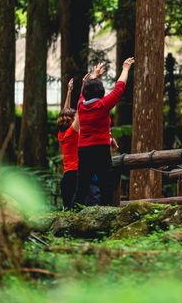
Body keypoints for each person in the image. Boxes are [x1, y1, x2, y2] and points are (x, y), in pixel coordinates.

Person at [73, 58, 135, 206]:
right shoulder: (103, 105)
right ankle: (105, 210)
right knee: (106, 181)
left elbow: (84, 91)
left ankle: (74, 210)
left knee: (83, 182)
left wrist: (94, 75)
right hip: (100, 148)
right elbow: (119, 87)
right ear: (100, 92)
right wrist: (125, 68)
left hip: (83, 149)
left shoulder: (81, 105)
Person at [57, 78, 80, 209]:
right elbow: (80, 111)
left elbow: (65, 113)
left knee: (68, 211)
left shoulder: (62, 134)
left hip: (67, 177)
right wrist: (84, 88)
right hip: (76, 176)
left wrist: (69, 92)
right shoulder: (72, 132)